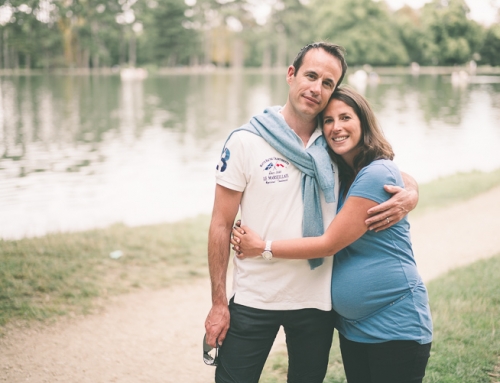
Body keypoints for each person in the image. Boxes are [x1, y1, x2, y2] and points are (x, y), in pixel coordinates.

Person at [205, 42, 419, 383]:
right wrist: (218, 303)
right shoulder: (246, 141)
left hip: (315, 304)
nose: (316, 88)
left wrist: (411, 193)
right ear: (291, 75)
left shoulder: (333, 142)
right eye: (311, 76)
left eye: (328, 82)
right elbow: (220, 225)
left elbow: (380, 168)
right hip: (254, 297)